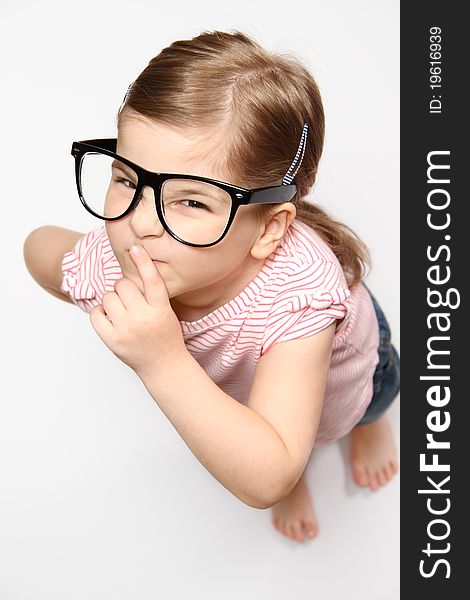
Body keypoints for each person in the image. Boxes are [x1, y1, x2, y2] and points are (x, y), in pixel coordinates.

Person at [23, 29, 400, 544]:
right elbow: (38, 246)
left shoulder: (302, 298)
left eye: (192, 202)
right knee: (268, 436)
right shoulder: (131, 260)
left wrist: (161, 359)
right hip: (250, 402)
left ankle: (370, 426)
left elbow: (267, 478)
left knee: (345, 414)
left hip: (352, 369)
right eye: (129, 180)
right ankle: (286, 444)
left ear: (268, 228)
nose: (139, 222)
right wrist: (80, 282)